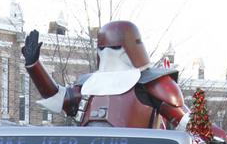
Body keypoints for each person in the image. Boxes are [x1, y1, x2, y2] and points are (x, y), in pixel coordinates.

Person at [22, 20, 189, 130]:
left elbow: (187, 123)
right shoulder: (89, 85)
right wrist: (34, 66)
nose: (107, 53)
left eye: (115, 48)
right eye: (102, 48)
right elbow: (58, 98)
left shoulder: (153, 83)